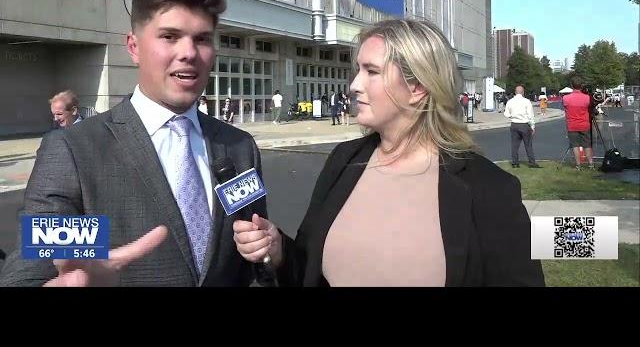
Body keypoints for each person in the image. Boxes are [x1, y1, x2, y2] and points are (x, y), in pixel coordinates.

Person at [233, 19, 544, 287]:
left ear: (418, 87)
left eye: (372, 71)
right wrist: (279, 252)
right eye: (358, 70)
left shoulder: (489, 188)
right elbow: (307, 268)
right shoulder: (344, 161)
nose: (355, 84)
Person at [0, 0, 267, 287]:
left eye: (202, 39)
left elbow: (253, 255)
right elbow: (31, 271)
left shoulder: (238, 146)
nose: (189, 52)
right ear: (134, 46)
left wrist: (270, 254)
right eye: (169, 36)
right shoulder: (75, 151)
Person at [504, 85, 541, 168]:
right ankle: (532, 162)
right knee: (528, 144)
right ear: (523, 92)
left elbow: (506, 114)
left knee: (514, 145)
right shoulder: (526, 101)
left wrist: (512, 116)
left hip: (514, 124)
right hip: (524, 124)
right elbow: (530, 115)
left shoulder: (510, 101)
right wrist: (532, 126)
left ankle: (515, 162)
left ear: (515, 92)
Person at [562, 78, 595, 171]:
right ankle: (591, 164)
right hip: (584, 124)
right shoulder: (587, 97)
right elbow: (591, 107)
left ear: (572, 86)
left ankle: (578, 165)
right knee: (587, 145)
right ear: (581, 86)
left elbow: (565, 107)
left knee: (575, 145)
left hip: (572, 124)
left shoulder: (566, 98)